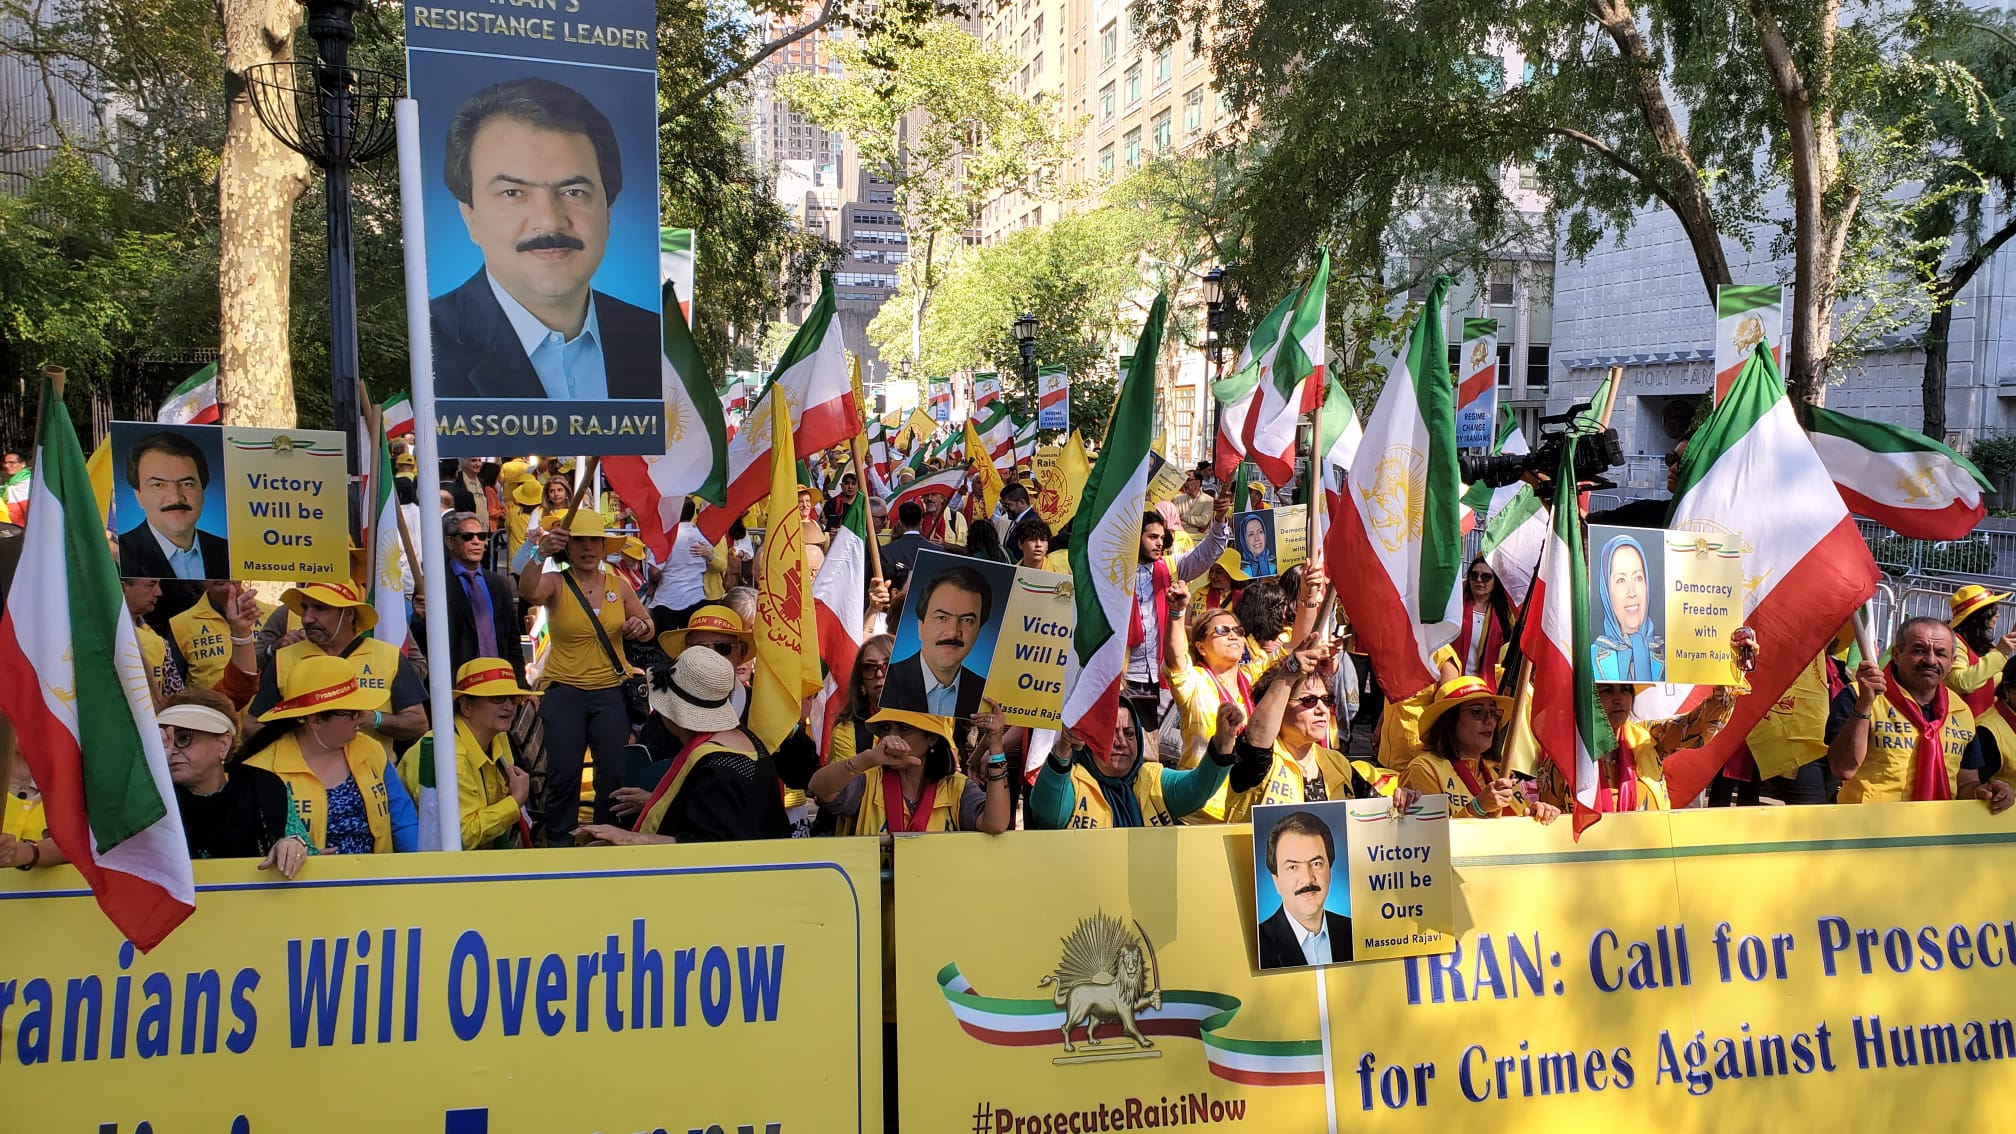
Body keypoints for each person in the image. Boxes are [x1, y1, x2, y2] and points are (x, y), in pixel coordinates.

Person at [430, 77, 661, 400]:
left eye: (573, 192)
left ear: (607, 212)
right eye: (513, 193)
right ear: (470, 215)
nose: (549, 221)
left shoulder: (654, 342)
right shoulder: (427, 344)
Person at [519, 508, 653, 842]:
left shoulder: (618, 586)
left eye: (594, 540)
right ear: (567, 545)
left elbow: (649, 627)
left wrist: (640, 626)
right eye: (579, 540)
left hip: (611, 694)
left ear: (604, 546)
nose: (588, 547)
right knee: (564, 775)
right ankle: (561, 843)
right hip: (565, 693)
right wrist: (539, 553)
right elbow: (528, 591)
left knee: (613, 776)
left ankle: (608, 839)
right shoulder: (556, 583)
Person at [580, 648, 791, 844]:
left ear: (672, 717)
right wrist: (655, 801)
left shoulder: (715, 767)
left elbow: (709, 847)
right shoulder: (745, 740)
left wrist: (631, 839)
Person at [1544, 630, 1757, 815]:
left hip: (1648, 857)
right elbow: (1544, 822)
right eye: (1607, 691)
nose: (1619, 699)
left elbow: (1699, 725)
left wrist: (1733, 667)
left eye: (1626, 690)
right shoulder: (1564, 756)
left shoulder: (1648, 737)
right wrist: (1544, 813)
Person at [241, 655, 420, 853]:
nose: (362, 718)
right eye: (353, 712)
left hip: (376, 879)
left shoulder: (371, 749)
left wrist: (421, 870)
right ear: (315, 721)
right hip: (303, 883)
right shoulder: (262, 771)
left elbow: (403, 822)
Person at [1829, 617, 2013, 810]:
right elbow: (1843, 769)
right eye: (1919, 650)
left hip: (1932, 832)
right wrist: (1864, 706)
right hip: (1871, 829)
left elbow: (1966, 783)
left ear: (1952, 661)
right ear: (1897, 655)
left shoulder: (1960, 711)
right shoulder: (1858, 696)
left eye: (1941, 653)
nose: (1930, 660)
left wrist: (1985, 791)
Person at [1223, 641, 1409, 824]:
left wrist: (1402, 801)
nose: (1322, 709)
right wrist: (1288, 673)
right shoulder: (1257, 761)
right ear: (1280, 707)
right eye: (1309, 700)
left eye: (1327, 700)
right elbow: (1257, 736)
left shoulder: (1336, 763)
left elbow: (1378, 812)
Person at [250, 581, 428, 754]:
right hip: (298, 777)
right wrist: (302, 730)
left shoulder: (389, 657)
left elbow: (418, 724)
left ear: (349, 614)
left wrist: (374, 718)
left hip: (371, 777)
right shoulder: (284, 658)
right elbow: (251, 728)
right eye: (305, 608)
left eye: (320, 608)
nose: (307, 618)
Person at [157, 689, 312, 876]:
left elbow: (308, 851)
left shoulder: (263, 786)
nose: (171, 750)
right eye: (164, 741)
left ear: (223, 744)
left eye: (183, 738)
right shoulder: (153, 797)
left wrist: (294, 845)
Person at [1027, 700, 1240, 828]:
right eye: (1111, 733)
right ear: (1091, 740)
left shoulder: (1152, 777)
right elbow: (1049, 815)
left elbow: (1195, 790)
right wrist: (1063, 748)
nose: (1121, 741)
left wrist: (1223, 741)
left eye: (1129, 733)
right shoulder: (1072, 779)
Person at [807, 706, 1011, 836]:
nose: (891, 737)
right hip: (874, 903)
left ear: (931, 737)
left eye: (903, 728)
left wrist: (995, 747)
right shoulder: (869, 780)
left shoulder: (955, 787)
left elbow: (996, 824)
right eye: (886, 728)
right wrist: (869, 758)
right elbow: (818, 787)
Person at [398, 659, 536, 850]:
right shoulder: (448, 758)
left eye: (513, 698)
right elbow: (460, 837)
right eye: (498, 698)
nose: (509, 707)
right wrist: (515, 802)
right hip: (429, 868)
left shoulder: (497, 735)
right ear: (466, 707)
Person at [1125, 505, 1233, 733]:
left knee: (1152, 749)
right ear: (1135, 536)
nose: (1158, 543)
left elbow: (1207, 553)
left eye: (1162, 538)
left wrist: (1220, 519)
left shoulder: (1170, 567)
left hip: (1161, 675)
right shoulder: (1115, 572)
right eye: (1152, 537)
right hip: (1124, 675)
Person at [1405, 677, 1560, 821]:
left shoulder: (1500, 771)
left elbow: (1517, 828)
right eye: (1477, 711)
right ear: (1449, 720)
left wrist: (1536, 814)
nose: (1490, 721)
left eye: (1493, 713)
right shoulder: (1424, 770)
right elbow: (1431, 840)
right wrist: (1478, 807)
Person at [414, 510, 528, 685]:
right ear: (450, 542)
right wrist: (420, 618)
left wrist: (520, 684)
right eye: (468, 536)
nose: (476, 542)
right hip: (457, 687)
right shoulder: (433, 584)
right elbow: (421, 640)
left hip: (498, 681)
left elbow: (512, 639)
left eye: (481, 536)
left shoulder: (499, 584)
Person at [116, 431, 230, 581]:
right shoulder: (118, 555)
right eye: (158, 485)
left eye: (186, 484)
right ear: (138, 495)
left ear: (203, 490)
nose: (176, 497)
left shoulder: (228, 551)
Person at [885, 565, 991, 719]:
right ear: (920, 626)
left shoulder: (985, 694)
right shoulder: (886, 683)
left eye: (967, 620)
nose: (953, 632)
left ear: (979, 630)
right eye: (942, 618)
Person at [1257, 810, 1354, 969]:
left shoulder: (1354, 931)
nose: (1307, 879)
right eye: (1293, 867)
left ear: (1329, 870)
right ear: (1276, 881)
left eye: (1316, 864)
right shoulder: (1258, 945)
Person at [167, 579, 264, 702]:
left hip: (261, 719)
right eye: (215, 567)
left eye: (228, 567)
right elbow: (173, 691)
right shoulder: (180, 624)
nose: (223, 575)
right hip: (208, 717)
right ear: (202, 579)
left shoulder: (271, 614)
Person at [1592, 531, 1662, 681]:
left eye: (1638, 578)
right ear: (1606, 590)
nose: (1632, 592)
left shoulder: (1671, 656)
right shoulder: (1588, 658)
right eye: (1621, 580)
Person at [1946, 584, 2016, 718]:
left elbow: (1994, 683)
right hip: (1958, 725)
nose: (1998, 615)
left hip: (1983, 724)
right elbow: (1962, 683)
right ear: (1980, 615)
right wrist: (1999, 653)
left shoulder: (1983, 644)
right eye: (1993, 610)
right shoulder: (1954, 641)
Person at [1452, 557, 1514, 679]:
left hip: (1487, 689)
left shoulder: (1506, 612)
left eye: (1486, 577)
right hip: (1454, 682)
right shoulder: (1455, 605)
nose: (1479, 580)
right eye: (1474, 575)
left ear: (1495, 580)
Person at [1238, 512, 1276, 578]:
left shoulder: (1276, 564)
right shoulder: (1239, 569)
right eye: (1251, 534)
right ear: (1243, 539)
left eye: (1260, 532)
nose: (1257, 539)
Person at [1, 449, 27, 526]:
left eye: (11, 462)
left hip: (25, 526)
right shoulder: (8, 485)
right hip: (10, 526)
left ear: (23, 464)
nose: (7, 466)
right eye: (5, 463)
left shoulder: (29, 483)